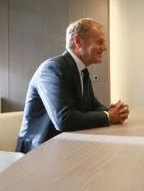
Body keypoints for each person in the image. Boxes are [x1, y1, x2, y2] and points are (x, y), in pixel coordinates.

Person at [16, 18, 130, 153]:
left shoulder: (82, 71)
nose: (105, 47)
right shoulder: (52, 68)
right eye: (99, 42)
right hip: (38, 152)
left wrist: (113, 111)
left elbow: (92, 106)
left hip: (63, 146)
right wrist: (108, 116)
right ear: (78, 41)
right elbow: (64, 120)